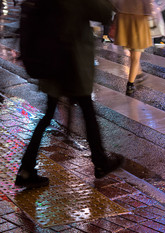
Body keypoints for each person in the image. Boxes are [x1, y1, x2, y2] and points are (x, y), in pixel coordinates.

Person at [15, 0, 123, 189]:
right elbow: (103, 12)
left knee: (49, 114)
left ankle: (26, 169)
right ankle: (100, 162)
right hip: (70, 61)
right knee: (87, 111)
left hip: (50, 57)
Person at [111, 0, 154, 94]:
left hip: (124, 22)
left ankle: (138, 73)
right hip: (138, 23)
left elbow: (114, 4)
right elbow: (148, 10)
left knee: (132, 53)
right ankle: (130, 84)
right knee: (135, 57)